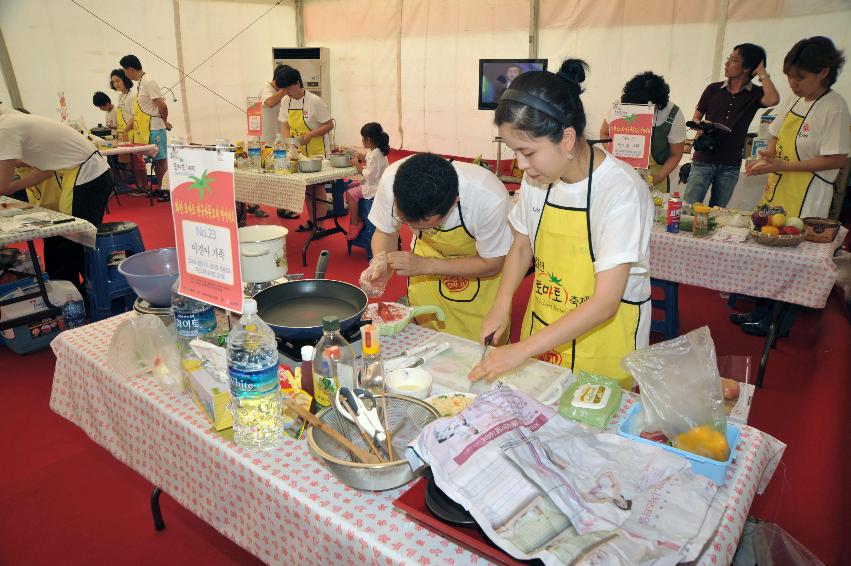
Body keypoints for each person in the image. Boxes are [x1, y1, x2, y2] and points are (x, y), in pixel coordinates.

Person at [468, 59, 653, 390]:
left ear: (567, 139)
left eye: (527, 151)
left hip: (604, 343)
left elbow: (605, 302)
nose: (520, 165)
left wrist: (520, 351)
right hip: (545, 328)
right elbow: (522, 245)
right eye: (514, 152)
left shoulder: (621, 191)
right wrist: (501, 305)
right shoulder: (538, 177)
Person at [734, 37, 850, 338]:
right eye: (789, 77)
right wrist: (767, 156)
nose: (793, 84)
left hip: (808, 193)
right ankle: (761, 309)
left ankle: (778, 322)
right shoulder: (795, 98)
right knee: (768, 251)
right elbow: (775, 134)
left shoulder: (834, 107)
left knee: (791, 258)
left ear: (824, 72)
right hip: (778, 188)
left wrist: (782, 166)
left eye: (800, 77)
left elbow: (836, 158)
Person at [361, 153, 513, 342]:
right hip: (426, 269)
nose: (414, 228)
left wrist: (426, 266)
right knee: (425, 338)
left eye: (424, 223)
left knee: (477, 348)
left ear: (453, 203)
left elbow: (493, 263)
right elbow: (386, 232)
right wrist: (380, 262)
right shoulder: (393, 180)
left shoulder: (488, 198)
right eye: (406, 220)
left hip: (479, 272)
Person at [0, 109, 113, 291]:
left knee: (75, 240)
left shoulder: (6, 129)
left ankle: (86, 293)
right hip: (79, 177)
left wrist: (10, 186)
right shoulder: (14, 123)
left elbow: (3, 184)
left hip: (87, 177)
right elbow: (42, 173)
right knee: (58, 238)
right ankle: (66, 289)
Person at [684, 43, 780, 207]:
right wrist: (702, 126)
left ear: (747, 67)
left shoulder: (755, 93)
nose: (727, 63)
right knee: (688, 207)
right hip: (704, 159)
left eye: (733, 60)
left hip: (730, 164)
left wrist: (762, 72)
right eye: (729, 58)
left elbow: (773, 100)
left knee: (718, 212)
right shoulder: (713, 89)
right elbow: (696, 118)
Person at [599, 72, 687, 192]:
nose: (641, 113)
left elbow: (676, 154)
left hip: (655, 179)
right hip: (622, 175)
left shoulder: (673, 114)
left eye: (647, 108)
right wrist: (616, 152)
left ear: (658, 103)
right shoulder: (620, 108)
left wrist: (659, 176)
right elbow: (604, 133)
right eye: (637, 107)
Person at [276, 66, 335, 231]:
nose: (286, 91)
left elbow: (329, 124)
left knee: (318, 187)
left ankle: (320, 224)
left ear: (297, 83)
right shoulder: (285, 101)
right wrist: (289, 142)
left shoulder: (314, 101)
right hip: (299, 152)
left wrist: (310, 135)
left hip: (317, 152)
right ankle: (312, 221)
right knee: (307, 188)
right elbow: (285, 125)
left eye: (288, 87)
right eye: (284, 89)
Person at [119, 54, 172, 202]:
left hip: (155, 128)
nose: (125, 74)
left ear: (129, 69)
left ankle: (166, 190)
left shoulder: (148, 82)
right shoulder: (142, 83)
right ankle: (161, 187)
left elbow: (162, 105)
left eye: (125, 71)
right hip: (149, 128)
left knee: (161, 161)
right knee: (156, 161)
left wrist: (164, 122)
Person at [345, 122, 390, 240]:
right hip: (378, 183)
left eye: (362, 138)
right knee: (351, 186)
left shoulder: (375, 154)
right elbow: (367, 158)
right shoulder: (378, 150)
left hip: (375, 187)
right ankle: (357, 214)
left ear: (368, 140)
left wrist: (356, 164)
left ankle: (355, 223)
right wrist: (353, 152)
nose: (362, 141)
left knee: (350, 193)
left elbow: (367, 176)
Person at [109, 68, 149, 194]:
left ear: (125, 80)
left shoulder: (132, 96)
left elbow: (135, 116)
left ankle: (143, 188)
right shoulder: (121, 97)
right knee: (130, 162)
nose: (115, 84)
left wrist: (126, 129)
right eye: (113, 82)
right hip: (124, 134)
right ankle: (137, 186)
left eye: (117, 81)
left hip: (133, 133)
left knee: (138, 161)